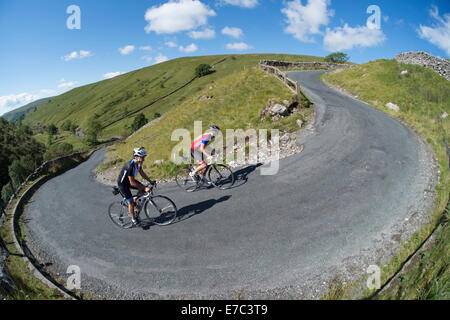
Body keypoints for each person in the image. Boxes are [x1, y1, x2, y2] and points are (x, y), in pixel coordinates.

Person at [117, 147, 155, 226]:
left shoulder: (139, 162)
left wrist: (150, 181)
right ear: (136, 157)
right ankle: (133, 219)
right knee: (130, 202)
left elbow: (142, 173)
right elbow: (132, 183)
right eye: (142, 157)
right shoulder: (130, 166)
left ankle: (134, 200)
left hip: (130, 181)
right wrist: (144, 188)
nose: (144, 159)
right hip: (123, 184)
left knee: (143, 189)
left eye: (144, 157)